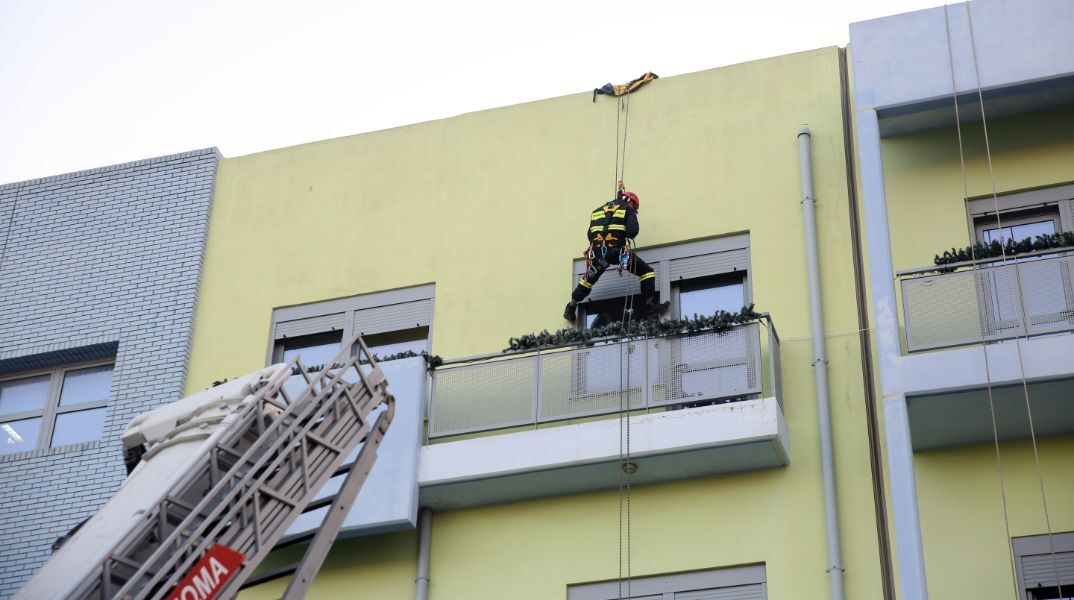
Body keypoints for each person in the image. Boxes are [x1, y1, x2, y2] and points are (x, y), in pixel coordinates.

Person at [563, 190, 668, 322]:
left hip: (598, 255)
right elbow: (632, 232)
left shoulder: (596, 212)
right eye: (635, 208)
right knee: (646, 272)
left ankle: (571, 306)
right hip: (617, 253)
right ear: (631, 203)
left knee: (588, 278)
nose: (634, 210)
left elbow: (590, 236)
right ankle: (650, 306)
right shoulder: (627, 209)